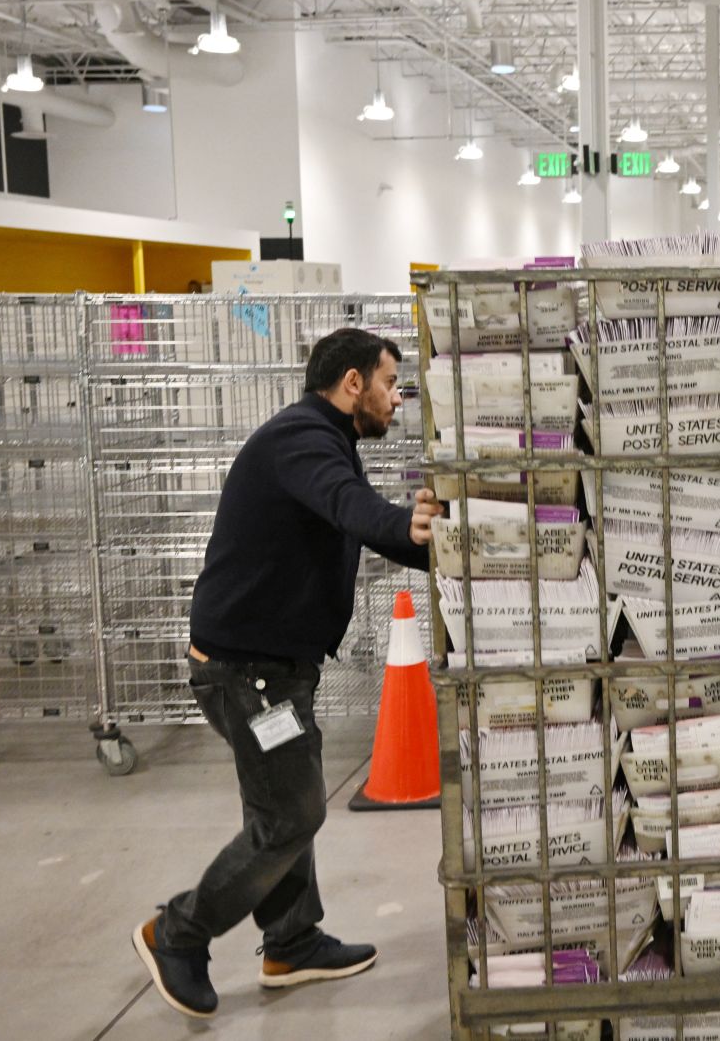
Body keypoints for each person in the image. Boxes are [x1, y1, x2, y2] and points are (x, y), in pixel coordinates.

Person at [132, 327, 438, 1019]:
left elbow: (354, 518)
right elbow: (347, 506)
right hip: (247, 671)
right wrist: (404, 527)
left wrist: (449, 546)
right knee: (293, 810)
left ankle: (291, 940)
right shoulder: (302, 439)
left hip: (269, 666)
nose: (397, 398)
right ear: (352, 382)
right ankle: (177, 932)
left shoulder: (324, 440)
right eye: (390, 383)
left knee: (281, 800)